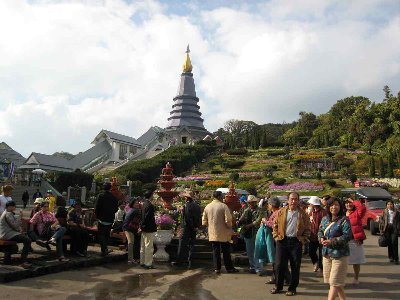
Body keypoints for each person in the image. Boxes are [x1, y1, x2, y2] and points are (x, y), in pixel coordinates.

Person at [271, 192, 311, 296]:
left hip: (296, 242)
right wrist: (276, 236)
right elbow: (275, 225)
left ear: (298, 200)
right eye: (292, 199)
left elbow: (307, 228)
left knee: (295, 266)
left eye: (296, 199)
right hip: (282, 240)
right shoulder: (281, 212)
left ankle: (292, 288)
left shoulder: (303, 214)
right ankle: (278, 286)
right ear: (287, 200)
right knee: (279, 265)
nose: (293, 201)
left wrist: (303, 238)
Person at [318, 198, 352, 300]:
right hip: (327, 254)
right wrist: (321, 238)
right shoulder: (324, 219)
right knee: (334, 283)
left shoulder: (344, 220)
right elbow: (320, 230)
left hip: (340, 254)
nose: (334, 207)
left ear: (340, 207)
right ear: (328, 207)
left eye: (336, 205)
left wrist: (331, 241)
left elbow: (347, 236)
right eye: (331, 205)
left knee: (334, 282)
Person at [202, 190, 238, 274]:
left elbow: (204, 221)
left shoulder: (207, 206)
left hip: (212, 232)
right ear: (218, 197)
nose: (223, 197)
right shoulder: (223, 206)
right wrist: (230, 227)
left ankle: (217, 268)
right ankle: (229, 268)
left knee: (215, 251)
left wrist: (209, 226)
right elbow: (228, 220)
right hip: (223, 232)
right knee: (226, 251)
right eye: (222, 196)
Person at [172, 190, 201, 268]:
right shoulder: (197, 206)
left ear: (186, 198)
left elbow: (188, 218)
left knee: (182, 244)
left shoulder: (187, 206)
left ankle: (180, 261)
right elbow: (199, 217)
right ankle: (191, 262)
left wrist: (192, 226)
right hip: (193, 228)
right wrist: (196, 227)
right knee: (192, 245)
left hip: (187, 227)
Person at [265, 197, 291, 285]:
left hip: (277, 239)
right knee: (277, 260)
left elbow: (275, 224)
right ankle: (276, 277)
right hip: (275, 238)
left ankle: (285, 278)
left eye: (268, 204)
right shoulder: (276, 213)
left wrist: (265, 222)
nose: (268, 206)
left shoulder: (278, 213)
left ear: (271, 205)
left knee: (278, 260)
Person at [0, 201, 32, 268]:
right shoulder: (8, 214)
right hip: (8, 234)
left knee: (26, 238)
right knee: (27, 240)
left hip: (8, 233)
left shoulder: (8, 213)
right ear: (10, 206)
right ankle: (23, 261)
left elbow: (15, 225)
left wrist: (19, 230)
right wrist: (20, 216)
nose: (15, 208)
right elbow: (15, 225)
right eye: (14, 206)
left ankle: (24, 257)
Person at [238, 195, 264, 275]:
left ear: (255, 202)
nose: (250, 204)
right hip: (248, 234)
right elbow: (241, 218)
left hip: (257, 232)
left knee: (257, 251)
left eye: (251, 203)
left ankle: (259, 269)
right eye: (248, 203)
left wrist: (250, 225)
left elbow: (258, 220)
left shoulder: (260, 210)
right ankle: (252, 267)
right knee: (249, 251)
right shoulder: (247, 210)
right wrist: (239, 221)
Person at [344, 197, 366, 284]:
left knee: (356, 261)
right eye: (346, 203)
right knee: (343, 261)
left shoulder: (357, 213)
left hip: (355, 240)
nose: (348, 205)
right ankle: (342, 278)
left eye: (350, 203)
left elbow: (362, 208)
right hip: (344, 240)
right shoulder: (342, 213)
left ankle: (356, 277)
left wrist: (353, 201)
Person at [94, 182, 119, 256]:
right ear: (110, 188)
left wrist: (97, 216)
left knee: (101, 234)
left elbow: (97, 207)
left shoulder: (100, 195)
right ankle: (105, 249)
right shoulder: (114, 198)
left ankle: (104, 249)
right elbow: (116, 209)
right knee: (106, 235)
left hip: (101, 218)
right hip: (110, 218)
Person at [139, 190, 157, 269]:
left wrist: (141, 226)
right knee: (149, 247)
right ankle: (148, 263)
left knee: (143, 246)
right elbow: (147, 217)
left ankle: (142, 261)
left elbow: (142, 216)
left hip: (144, 228)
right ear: (150, 196)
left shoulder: (144, 204)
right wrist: (143, 226)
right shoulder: (149, 205)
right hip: (148, 228)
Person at [308, 196, 326, 273]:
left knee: (321, 253)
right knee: (311, 251)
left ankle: (322, 269)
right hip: (312, 235)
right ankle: (315, 263)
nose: (309, 205)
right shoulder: (310, 212)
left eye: (310, 203)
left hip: (322, 235)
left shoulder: (323, 212)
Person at [122, 197, 142, 264]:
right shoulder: (134, 210)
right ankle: (130, 259)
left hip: (130, 228)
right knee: (131, 242)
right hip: (129, 228)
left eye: (137, 203)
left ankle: (132, 258)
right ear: (132, 204)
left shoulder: (132, 210)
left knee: (132, 243)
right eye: (136, 203)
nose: (137, 204)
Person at [381, 200, 400, 264]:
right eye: (388, 204)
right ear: (386, 205)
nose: (389, 205)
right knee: (389, 243)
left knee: (394, 242)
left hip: (394, 228)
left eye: (391, 204)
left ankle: (396, 258)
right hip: (387, 228)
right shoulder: (385, 211)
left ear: (393, 205)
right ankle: (391, 257)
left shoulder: (397, 211)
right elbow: (382, 221)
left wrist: (398, 228)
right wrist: (382, 230)